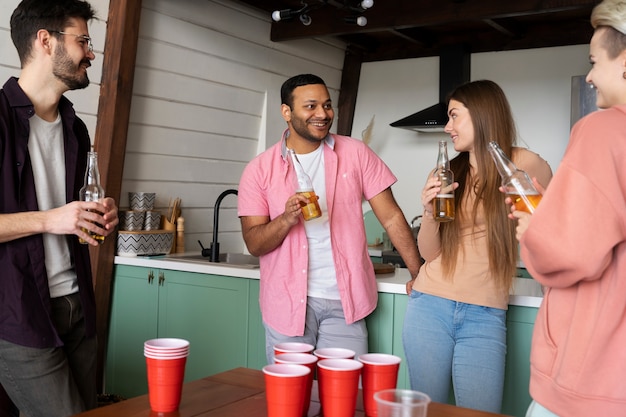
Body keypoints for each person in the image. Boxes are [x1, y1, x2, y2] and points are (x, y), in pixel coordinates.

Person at [238, 73, 422, 363]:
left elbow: (391, 217)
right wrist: (286, 219)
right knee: (291, 402)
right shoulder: (259, 170)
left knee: (345, 400)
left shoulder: (356, 153)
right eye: (310, 106)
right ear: (286, 112)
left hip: (345, 303)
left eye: (327, 105)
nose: (322, 114)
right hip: (286, 306)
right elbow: (254, 243)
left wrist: (418, 273)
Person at [402, 80, 552, 413]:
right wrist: (428, 211)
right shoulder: (447, 172)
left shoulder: (523, 164)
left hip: (485, 313)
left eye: (454, 116)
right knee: (428, 412)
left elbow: (551, 228)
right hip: (430, 305)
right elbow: (430, 254)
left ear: (481, 114)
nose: (447, 127)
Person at [0, 1, 119, 416]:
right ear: (46, 41)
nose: (91, 52)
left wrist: (95, 217)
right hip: (17, 313)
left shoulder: (75, 126)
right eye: (83, 40)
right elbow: (57, 216)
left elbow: (74, 215)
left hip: (77, 306)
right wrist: (55, 218)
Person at [510, 1, 626, 416]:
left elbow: (571, 251)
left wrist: (536, 230)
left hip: (591, 377)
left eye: (595, 61)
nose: (591, 75)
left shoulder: (603, 130)